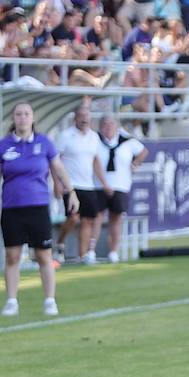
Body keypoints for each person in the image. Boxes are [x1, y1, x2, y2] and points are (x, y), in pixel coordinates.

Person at [0, 102, 78, 317]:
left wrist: (71, 191)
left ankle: (50, 300)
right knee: (12, 256)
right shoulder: (3, 145)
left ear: (33, 118)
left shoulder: (44, 143)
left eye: (26, 114)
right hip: (12, 208)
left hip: (38, 206)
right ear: (13, 118)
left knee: (44, 255)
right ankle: (11, 301)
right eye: (18, 114)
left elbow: (58, 168)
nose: (22, 118)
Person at [53, 105, 104, 263]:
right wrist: (57, 183)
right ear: (75, 118)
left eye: (87, 116)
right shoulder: (66, 136)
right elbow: (55, 161)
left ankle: (83, 255)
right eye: (81, 116)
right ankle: (60, 243)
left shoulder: (94, 137)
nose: (84, 119)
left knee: (88, 220)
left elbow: (95, 161)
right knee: (73, 218)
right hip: (71, 185)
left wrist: (103, 182)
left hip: (88, 185)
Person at [94, 114, 147, 263]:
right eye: (105, 125)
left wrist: (135, 164)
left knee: (116, 219)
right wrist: (104, 184)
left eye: (111, 125)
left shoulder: (127, 141)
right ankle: (90, 251)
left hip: (121, 185)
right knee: (96, 218)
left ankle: (113, 252)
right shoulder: (95, 141)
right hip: (99, 186)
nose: (108, 128)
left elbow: (143, 151)